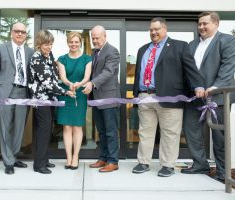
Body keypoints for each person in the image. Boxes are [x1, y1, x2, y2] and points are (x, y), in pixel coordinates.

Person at [132, 17, 205, 177]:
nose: (153, 32)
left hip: (170, 96)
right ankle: (143, 162)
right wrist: (136, 93)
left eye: (156, 29)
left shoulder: (180, 46)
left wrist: (198, 85)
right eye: (151, 29)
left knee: (170, 133)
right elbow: (139, 72)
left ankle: (167, 165)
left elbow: (190, 69)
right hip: (145, 96)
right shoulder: (142, 49)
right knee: (145, 131)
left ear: (165, 29)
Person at [181, 11, 235, 181]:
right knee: (191, 130)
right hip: (194, 97)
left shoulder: (227, 40)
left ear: (216, 24)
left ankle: (222, 172)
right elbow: (188, 70)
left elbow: (227, 68)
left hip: (218, 97)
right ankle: (200, 164)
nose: (202, 27)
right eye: (200, 24)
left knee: (219, 136)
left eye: (205, 24)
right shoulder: (191, 44)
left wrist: (213, 88)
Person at [28, 30, 75, 174]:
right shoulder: (37, 58)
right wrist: (65, 91)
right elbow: (48, 82)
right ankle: (39, 165)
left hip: (50, 100)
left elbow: (54, 76)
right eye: (46, 44)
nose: (49, 47)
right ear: (39, 44)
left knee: (47, 130)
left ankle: (44, 159)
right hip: (41, 100)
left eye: (50, 44)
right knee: (43, 130)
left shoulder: (48, 56)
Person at [0, 22, 34, 175]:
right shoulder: (0, 48)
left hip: (23, 93)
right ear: (11, 33)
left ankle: (13, 155)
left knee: (19, 128)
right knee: (5, 127)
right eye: (17, 31)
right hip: (5, 93)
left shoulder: (30, 51)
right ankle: (8, 162)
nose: (20, 34)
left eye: (23, 32)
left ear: (26, 35)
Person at [83, 25, 120, 173]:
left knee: (111, 131)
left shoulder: (112, 51)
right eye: (93, 38)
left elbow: (108, 72)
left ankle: (113, 161)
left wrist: (92, 83)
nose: (95, 40)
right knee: (102, 131)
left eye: (97, 38)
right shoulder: (94, 52)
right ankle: (104, 157)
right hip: (96, 98)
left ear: (105, 36)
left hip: (109, 98)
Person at [57, 31, 92, 170]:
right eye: (71, 42)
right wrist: (70, 84)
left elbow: (87, 77)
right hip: (66, 93)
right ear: (68, 43)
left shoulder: (87, 59)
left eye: (76, 42)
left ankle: (76, 157)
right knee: (66, 127)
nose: (74, 44)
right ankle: (68, 158)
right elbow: (63, 77)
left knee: (77, 127)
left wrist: (78, 84)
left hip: (80, 93)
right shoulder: (62, 59)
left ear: (80, 43)